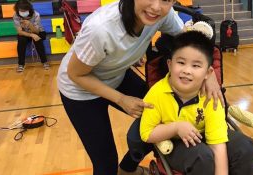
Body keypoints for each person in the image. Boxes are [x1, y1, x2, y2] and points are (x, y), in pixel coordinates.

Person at [57, 0, 225, 174]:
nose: (156, 7)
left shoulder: (163, 15)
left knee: (160, 119)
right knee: (105, 162)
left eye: (166, 0)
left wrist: (210, 73)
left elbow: (190, 44)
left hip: (116, 75)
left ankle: (127, 169)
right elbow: (76, 74)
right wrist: (121, 99)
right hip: (79, 89)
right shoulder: (101, 28)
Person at [140, 31, 253, 175]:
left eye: (196, 66)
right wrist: (176, 128)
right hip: (175, 142)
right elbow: (147, 133)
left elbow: (217, 142)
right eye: (181, 63)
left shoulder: (211, 96)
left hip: (206, 134)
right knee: (201, 156)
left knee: (244, 146)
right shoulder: (156, 94)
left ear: (208, 73)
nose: (187, 70)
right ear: (170, 65)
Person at [13, 0, 49, 72]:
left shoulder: (36, 15)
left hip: (38, 31)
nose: (22, 12)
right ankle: (21, 64)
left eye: (24, 10)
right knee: (21, 40)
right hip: (25, 33)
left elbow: (37, 31)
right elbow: (20, 32)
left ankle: (44, 62)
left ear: (29, 9)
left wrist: (29, 24)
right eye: (21, 10)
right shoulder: (16, 15)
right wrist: (31, 35)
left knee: (38, 39)